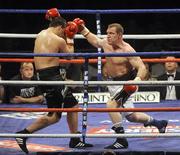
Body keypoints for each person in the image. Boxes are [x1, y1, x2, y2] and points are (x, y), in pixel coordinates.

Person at [75, 20, 168, 149]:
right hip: (113, 83)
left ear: (119, 35)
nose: (108, 36)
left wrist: (136, 81)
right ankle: (159, 123)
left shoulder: (127, 49)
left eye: (111, 33)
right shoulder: (106, 44)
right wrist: (82, 29)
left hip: (127, 84)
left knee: (111, 104)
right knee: (131, 116)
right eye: (107, 33)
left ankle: (121, 139)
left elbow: (141, 67)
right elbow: (95, 41)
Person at [15, 8, 92, 154]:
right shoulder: (58, 39)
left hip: (43, 76)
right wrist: (70, 37)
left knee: (56, 115)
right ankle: (24, 134)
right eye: (63, 31)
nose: (64, 33)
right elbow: (70, 57)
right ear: (60, 28)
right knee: (70, 107)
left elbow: (57, 24)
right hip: (52, 77)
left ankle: (24, 134)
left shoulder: (40, 34)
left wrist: (61, 22)